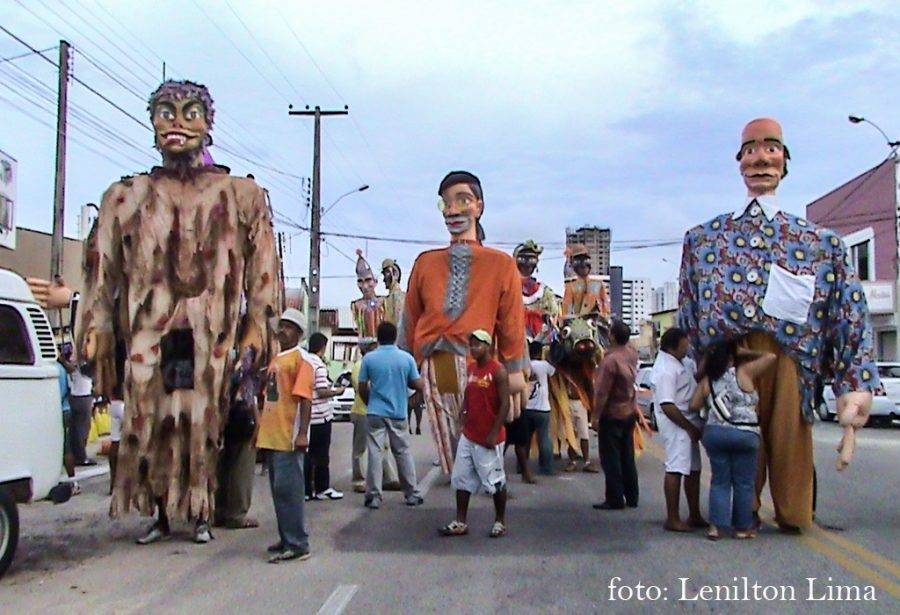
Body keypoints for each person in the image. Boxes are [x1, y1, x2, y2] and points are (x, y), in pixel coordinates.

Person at [76, 79, 281, 544]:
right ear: (152, 123)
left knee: (204, 419)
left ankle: (202, 510)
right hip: (149, 330)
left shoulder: (242, 195)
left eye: (190, 114)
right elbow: (100, 270)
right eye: (166, 113)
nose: (177, 125)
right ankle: (162, 514)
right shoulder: (125, 197)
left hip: (211, 332)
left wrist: (255, 330)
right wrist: (98, 326)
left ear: (208, 125)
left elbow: (264, 276)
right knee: (149, 421)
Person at [677, 118, 877, 531]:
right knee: (736, 433)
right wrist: (695, 368)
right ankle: (740, 511)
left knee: (789, 439)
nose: (761, 158)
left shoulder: (818, 242)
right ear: (739, 162)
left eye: (771, 148)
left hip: (790, 362)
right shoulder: (704, 239)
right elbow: (689, 308)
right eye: (750, 150)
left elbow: (848, 312)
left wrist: (852, 383)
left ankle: (793, 512)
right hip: (729, 361)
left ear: (785, 160)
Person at [399, 171, 527, 475]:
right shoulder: (425, 262)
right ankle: (466, 498)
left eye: (463, 200)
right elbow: (410, 317)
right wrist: (405, 366)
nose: (453, 210)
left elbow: (511, 322)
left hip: (479, 368)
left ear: (479, 207)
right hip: (438, 363)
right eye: (446, 203)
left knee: (482, 438)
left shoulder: (501, 264)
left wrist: (516, 371)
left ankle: (486, 495)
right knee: (456, 447)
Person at [690, 341, 776, 540]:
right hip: (745, 435)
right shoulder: (744, 372)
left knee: (719, 481)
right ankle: (741, 528)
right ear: (732, 358)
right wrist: (747, 351)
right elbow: (771, 357)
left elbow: (693, 405)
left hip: (715, 434)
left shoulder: (708, 380)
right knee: (744, 483)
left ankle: (715, 528)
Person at [256, 308, 314, 563]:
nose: (282, 331)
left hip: (288, 436)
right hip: (272, 435)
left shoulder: (301, 359)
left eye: (288, 327)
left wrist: (302, 433)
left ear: (299, 333)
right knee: (279, 491)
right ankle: (286, 537)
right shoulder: (278, 358)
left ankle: (298, 543)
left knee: (289, 491)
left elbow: (305, 399)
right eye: (281, 326)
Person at [440, 330, 510, 538]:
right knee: (461, 478)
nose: (474, 349)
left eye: (478, 345)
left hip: (489, 437)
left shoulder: (498, 371)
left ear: (488, 346)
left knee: (495, 480)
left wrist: (494, 431)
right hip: (470, 434)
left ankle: (500, 521)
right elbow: (469, 395)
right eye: (471, 345)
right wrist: (463, 411)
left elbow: (505, 404)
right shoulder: (471, 369)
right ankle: (460, 521)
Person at [358, 321, 425, 509]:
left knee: (375, 453)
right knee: (402, 452)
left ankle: (374, 496)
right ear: (395, 336)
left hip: (375, 412)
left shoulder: (369, 359)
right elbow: (417, 384)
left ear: (378, 338)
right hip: (398, 412)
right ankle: (411, 493)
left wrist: (369, 402)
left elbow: (362, 386)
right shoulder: (406, 358)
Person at [651, 327, 706, 532]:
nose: (687, 348)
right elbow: (667, 405)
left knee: (693, 469)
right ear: (673, 347)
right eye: (684, 345)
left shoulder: (682, 362)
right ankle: (672, 517)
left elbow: (695, 378)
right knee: (676, 467)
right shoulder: (666, 369)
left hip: (688, 420)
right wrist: (689, 427)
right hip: (677, 422)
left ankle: (694, 514)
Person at [591, 320, 639, 510]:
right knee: (627, 456)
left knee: (611, 459)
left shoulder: (610, 361)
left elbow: (602, 392)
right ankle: (632, 496)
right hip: (629, 411)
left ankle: (615, 498)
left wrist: (595, 416)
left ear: (611, 336)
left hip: (612, 414)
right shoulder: (631, 355)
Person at [350, 338, 400, 494]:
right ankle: (360, 479)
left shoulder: (376, 363)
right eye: (372, 347)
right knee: (361, 448)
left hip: (378, 411)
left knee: (383, 446)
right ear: (365, 350)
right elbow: (362, 387)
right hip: (363, 410)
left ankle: (388, 478)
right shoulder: (360, 365)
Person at [304, 332, 345, 501]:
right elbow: (321, 391)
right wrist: (337, 391)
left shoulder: (304, 362)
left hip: (307, 417)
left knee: (308, 455)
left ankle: (306, 490)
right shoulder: (318, 365)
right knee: (321, 455)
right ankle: (322, 488)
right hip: (320, 417)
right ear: (323, 347)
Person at [516, 341, 555, 482]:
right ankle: (547, 468)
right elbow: (554, 371)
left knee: (524, 440)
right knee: (544, 438)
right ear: (540, 353)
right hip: (543, 409)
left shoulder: (524, 365)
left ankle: (522, 467)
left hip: (526, 408)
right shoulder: (544, 366)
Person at [56, 350, 79, 496]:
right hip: (66, 408)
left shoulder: (53, 370)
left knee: (64, 449)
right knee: (66, 447)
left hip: (58, 411)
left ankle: (72, 482)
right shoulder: (61, 368)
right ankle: (73, 480)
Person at [352, 250, 385, 338]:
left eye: (368, 280)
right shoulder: (356, 305)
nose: (365, 286)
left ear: (375, 282)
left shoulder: (383, 302)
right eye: (360, 281)